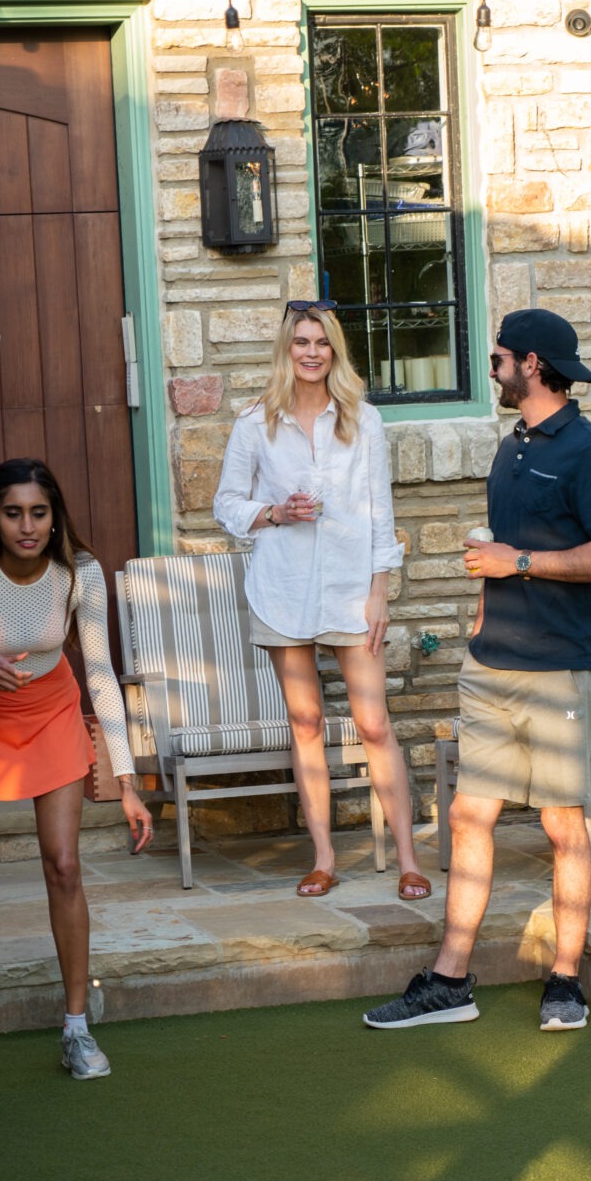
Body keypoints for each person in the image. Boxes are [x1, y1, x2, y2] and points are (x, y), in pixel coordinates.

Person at [365, 307, 591, 1034]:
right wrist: (485, 614)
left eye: (497, 360)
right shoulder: (511, 445)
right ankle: (450, 979)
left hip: (557, 672)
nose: (491, 371)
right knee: (467, 815)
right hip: (491, 666)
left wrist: (518, 562)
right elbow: (503, 550)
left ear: (533, 365)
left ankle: (566, 980)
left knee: (561, 824)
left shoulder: (588, 452)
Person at [0, 458, 152, 1086]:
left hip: (49, 715)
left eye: (38, 512)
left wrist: (127, 781)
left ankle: (76, 1027)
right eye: (13, 512)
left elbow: (100, 673)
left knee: (64, 865)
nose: (27, 526)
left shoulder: (82, 574)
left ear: (54, 515)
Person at [213, 301, 428, 900]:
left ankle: (409, 860)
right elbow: (226, 503)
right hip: (281, 590)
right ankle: (324, 858)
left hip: (349, 589)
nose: (311, 353)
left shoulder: (363, 420)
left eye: (322, 343)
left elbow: (381, 511)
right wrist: (274, 512)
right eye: (301, 342)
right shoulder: (256, 423)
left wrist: (380, 591)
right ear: (287, 350)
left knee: (374, 723)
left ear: (335, 351)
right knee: (305, 722)